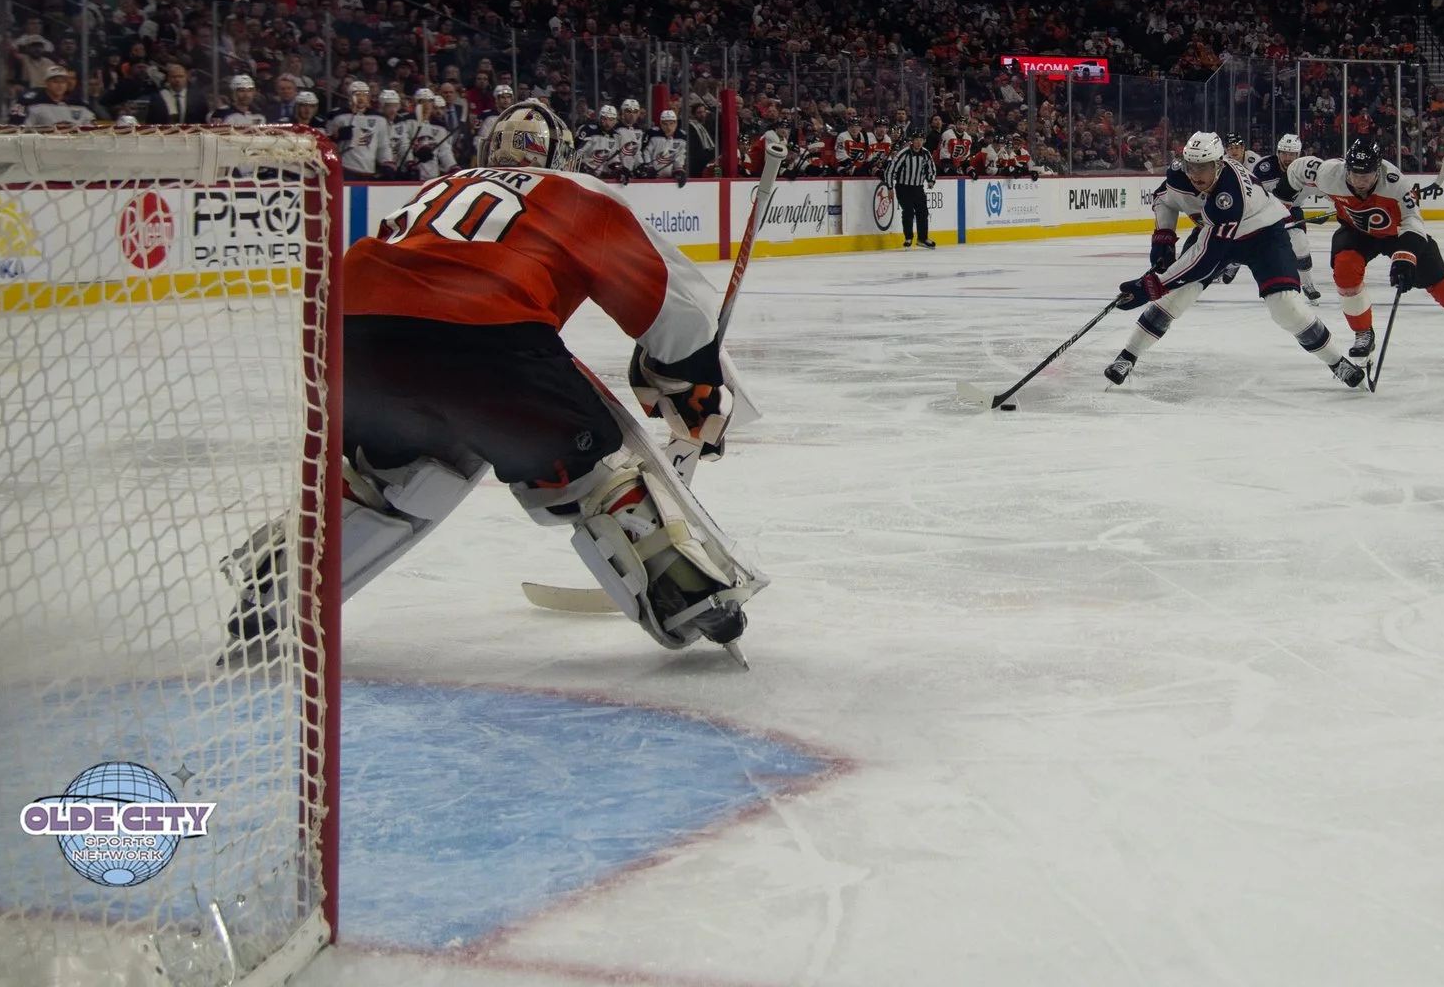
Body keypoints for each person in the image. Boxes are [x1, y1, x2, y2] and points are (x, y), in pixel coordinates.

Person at [223, 102, 762, 663]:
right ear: (562, 156)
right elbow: (672, 301)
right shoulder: (576, 190)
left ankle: (272, 591)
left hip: (353, 341)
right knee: (591, 474)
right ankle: (691, 597)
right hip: (487, 336)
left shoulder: (440, 187)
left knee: (387, 475)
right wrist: (692, 382)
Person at [1103, 132, 1363, 389]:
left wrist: (1153, 286)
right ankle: (1127, 356)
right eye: (1191, 166)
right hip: (1216, 232)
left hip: (1263, 236)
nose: (1196, 175)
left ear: (1219, 164)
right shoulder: (1180, 175)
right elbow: (1164, 200)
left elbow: (1205, 258)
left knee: (1285, 306)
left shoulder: (1229, 193)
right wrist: (1164, 239)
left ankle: (1337, 361)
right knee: (1175, 297)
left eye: (1204, 167)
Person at [1287, 136, 1444, 361]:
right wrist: (1284, 203)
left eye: (1365, 175)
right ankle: (1363, 333)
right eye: (1354, 173)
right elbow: (1297, 168)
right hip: (1356, 232)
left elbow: (1413, 221)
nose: (1359, 181)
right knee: (1345, 268)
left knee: (1442, 284)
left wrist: (1405, 258)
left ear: (1378, 171)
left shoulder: (1396, 184)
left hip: (1398, 234)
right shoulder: (1329, 173)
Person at [1248, 132, 1320, 299]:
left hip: (1292, 211)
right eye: (1284, 153)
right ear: (1278, 152)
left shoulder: (1307, 169)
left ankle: (1307, 283)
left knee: (1300, 245)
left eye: (1292, 154)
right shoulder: (1263, 168)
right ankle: (1233, 264)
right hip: (1265, 211)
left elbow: (1328, 190)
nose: (1288, 158)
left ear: (1299, 154)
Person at [885, 133, 938, 248]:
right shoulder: (903, 153)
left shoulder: (926, 153)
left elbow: (931, 168)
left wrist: (931, 180)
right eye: (916, 140)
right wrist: (890, 187)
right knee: (908, 211)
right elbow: (891, 170)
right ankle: (908, 237)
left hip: (918, 188)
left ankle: (922, 238)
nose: (918, 142)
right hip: (903, 188)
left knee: (923, 212)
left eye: (921, 140)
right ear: (912, 141)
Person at [328, 81, 390, 178]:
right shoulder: (337, 116)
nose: (361, 98)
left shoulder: (379, 118)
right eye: (357, 94)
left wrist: (387, 163)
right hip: (346, 168)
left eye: (364, 95)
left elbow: (383, 144)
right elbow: (328, 143)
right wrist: (337, 136)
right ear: (349, 96)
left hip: (369, 170)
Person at [15, 64, 95, 130]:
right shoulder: (32, 103)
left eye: (63, 82)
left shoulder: (78, 104)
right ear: (46, 83)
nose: (60, 85)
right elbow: (24, 129)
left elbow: (90, 127)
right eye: (55, 81)